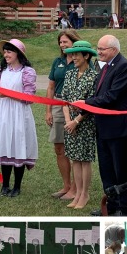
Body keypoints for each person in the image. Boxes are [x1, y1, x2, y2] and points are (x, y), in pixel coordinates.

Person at [80, 35, 127, 216]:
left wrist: (85, 102)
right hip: (103, 128)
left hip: (118, 129)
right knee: (106, 170)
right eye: (98, 48)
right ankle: (111, 207)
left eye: (102, 49)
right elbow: (100, 94)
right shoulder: (106, 67)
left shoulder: (124, 67)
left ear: (114, 50)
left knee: (120, 170)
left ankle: (124, 209)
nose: (98, 52)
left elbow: (111, 97)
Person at [0, 38, 38, 198]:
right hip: (3, 112)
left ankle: (17, 186)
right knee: (4, 146)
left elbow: (29, 97)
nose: (6, 54)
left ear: (18, 54)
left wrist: (9, 95)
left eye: (9, 51)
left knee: (17, 146)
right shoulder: (3, 70)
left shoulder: (27, 72)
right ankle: (5, 184)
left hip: (19, 113)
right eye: (5, 51)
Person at [61, 41, 98, 209]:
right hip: (70, 123)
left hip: (85, 123)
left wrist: (76, 122)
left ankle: (84, 194)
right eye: (71, 54)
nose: (73, 57)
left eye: (76, 54)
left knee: (84, 160)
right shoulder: (69, 74)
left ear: (86, 56)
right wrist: (69, 121)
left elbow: (92, 104)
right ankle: (77, 194)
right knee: (74, 159)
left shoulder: (94, 76)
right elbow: (64, 100)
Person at [46, 30, 81, 200]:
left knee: (75, 149)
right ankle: (66, 186)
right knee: (59, 148)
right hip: (58, 105)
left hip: (76, 108)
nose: (62, 45)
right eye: (60, 42)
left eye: (65, 42)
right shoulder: (57, 62)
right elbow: (51, 87)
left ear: (74, 42)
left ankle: (76, 188)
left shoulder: (81, 60)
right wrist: (48, 110)